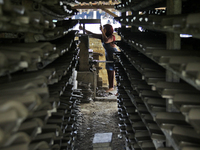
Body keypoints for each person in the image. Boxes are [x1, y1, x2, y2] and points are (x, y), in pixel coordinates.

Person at [79, 24, 118, 93]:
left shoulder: (112, 37)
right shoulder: (102, 36)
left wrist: (102, 31)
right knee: (109, 70)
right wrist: (83, 29)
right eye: (103, 29)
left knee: (117, 71)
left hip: (114, 54)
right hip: (108, 54)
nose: (103, 30)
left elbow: (106, 40)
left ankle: (119, 89)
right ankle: (111, 87)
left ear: (108, 30)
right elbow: (92, 34)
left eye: (104, 29)